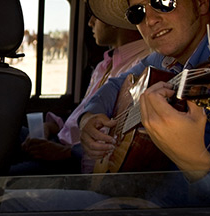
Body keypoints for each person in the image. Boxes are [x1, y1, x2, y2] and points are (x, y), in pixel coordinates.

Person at [79, 0, 210, 204]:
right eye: (138, 13)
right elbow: (115, 84)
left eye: (164, 1)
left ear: (200, 1)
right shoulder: (161, 59)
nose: (150, 20)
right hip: (144, 200)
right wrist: (88, 118)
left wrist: (198, 162)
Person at [19, 12, 150, 173]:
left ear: (114, 19)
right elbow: (83, 112)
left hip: (75, 162)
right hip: (60, 142)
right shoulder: (105, 64)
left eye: (96, 15)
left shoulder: (144, 68)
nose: (90, 23)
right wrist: (52, 126)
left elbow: (123, 139)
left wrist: (67, 152)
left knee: (3, 182)